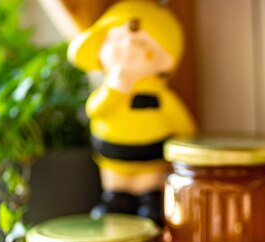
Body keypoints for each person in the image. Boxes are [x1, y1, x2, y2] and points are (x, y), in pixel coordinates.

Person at [68, 0, 196, 224]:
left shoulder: (162, 99)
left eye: (140, 41)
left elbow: (186, 129)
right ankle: (115, 199)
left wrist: (189, 150)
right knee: (116, 202)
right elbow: (95, 110)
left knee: (151, 199)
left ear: (165, 60)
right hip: (113, 168)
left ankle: (150, 200)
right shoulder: (108, 92)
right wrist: (115, 90)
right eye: (117, 39)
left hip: (153, 167)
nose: (127, 47)